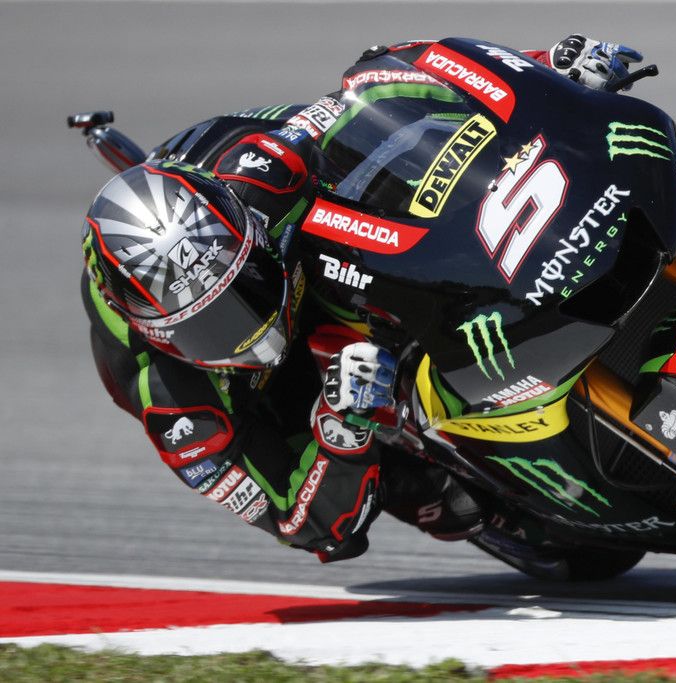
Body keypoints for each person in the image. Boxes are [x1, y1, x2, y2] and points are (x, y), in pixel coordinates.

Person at [81, 36, 644, 563]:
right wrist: (341, 428)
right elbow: (302, 524)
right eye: (210, 325)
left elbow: (388, 84)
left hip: (303, 243)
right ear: (155, 331)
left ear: (249, 235)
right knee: (440, 500)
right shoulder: (172, 398)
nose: (251, 328)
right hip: (268, 391)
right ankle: (504, 516)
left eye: (246, 288)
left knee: (422, 174)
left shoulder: (265, 171)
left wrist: (549, 70)